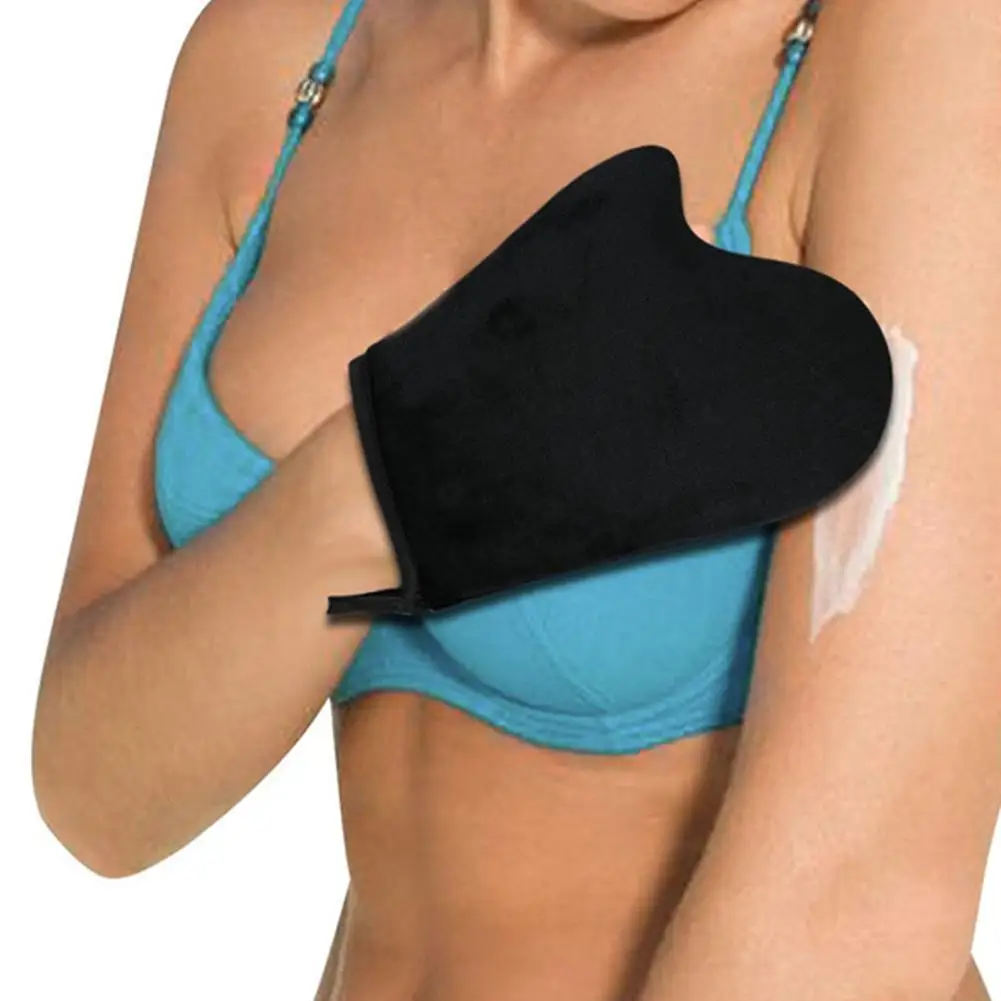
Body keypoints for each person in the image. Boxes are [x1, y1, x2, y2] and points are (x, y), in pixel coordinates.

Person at [31, 0, 1000, 998]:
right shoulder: (278, 56)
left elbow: (860, 900)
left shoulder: (914, 43)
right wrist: (382, 481)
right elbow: (95, 794)